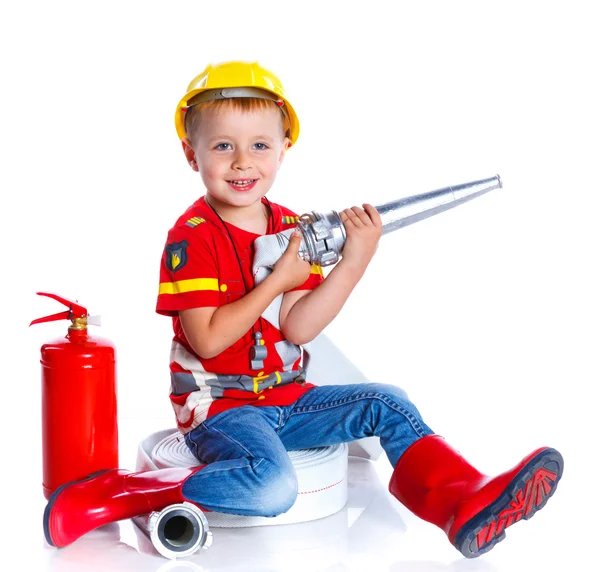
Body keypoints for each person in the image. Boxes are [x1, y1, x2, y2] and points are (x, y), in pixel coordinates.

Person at [43, 61, 563, 559]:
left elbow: (299, 325)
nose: (242, 161)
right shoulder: (192, 238)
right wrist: (275, 285)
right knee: (272, 488)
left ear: (284, 149)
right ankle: (129, 490)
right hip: (222, 411)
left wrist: (353, 262)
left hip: (290, 399)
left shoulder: (290, 226)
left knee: (389, 402)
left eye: (259, 145)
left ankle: (461, 502)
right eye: (223, 146)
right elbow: (207, 341)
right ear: (190, 153)